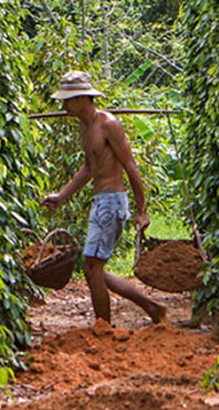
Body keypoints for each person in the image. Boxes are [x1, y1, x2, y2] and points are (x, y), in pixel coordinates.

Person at [42, 71, 167, 325]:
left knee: (92, 269)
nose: (64, 106)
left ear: (81, 99)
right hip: (100, 201)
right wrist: (62, 196)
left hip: (112, 201)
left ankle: (104, 328)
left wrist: (142, 209)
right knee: (93, 269)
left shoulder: (107, 123)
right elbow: (90, 168)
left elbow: (130, 166)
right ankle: (152, 307)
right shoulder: (85, 127)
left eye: (67, 100)